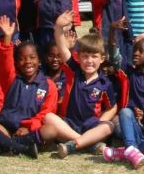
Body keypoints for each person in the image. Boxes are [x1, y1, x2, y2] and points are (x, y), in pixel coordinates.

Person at [46, 11, 121, 159]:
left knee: (109, 126)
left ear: (102, 59)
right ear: (78, 57)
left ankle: (74, 144)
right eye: (85, 56)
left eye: (94, 56)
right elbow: (62, 48)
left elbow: (112, 107)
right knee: (48, 117)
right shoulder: (74, 71)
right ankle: (86, 144)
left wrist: (101, 121)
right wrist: (58, 28)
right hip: (69, 126)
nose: (89, 61)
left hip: (91, 127)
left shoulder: (105, 83)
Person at [0, 16, 52, 158]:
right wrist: (7, 38)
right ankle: (18, 147)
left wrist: (28, 127)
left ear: (39, 60)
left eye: (32, 57)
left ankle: (4, 145)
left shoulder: (48, 85)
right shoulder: (12, 79)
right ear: (16, 63)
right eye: (22, 59)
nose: (27, 62)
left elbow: (45, 113)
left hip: (28, 130)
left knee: (50, 131)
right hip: (5, 127)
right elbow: (5, 63)